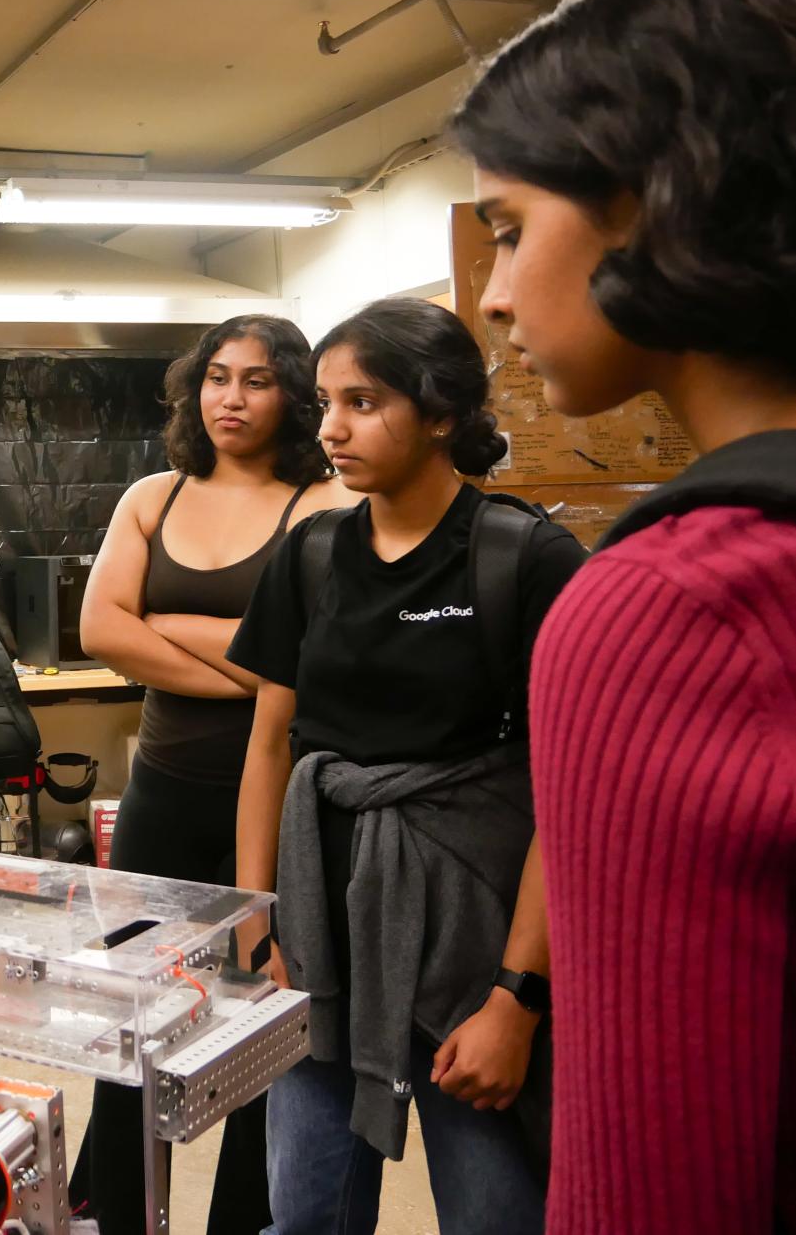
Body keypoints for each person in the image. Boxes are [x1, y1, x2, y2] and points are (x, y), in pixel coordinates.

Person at [456, 0, 796, 1235]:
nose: (490, 295)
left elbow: (657, 1177)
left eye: (506, 228)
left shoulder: (675, 604)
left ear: (649, 205)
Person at [228, 299, 587, 1235]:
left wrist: (516, 1001)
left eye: (363, 402)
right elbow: (271, 746)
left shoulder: (523, 558)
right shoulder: (309, 555)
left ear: (439, 414)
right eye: (322, 404)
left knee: (494, 1217)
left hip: (469, 954)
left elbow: (565, 801)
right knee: (303, 1216)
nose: (332, 429)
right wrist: (253, 922)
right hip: (319, 949)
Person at [70, 314, 350, 1235]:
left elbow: (309, 665)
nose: (231, 398)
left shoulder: (318, 505)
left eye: (257, 381)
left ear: (293, 396)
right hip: (162, 796)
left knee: (260, 1029)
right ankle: (108, 1206)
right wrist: (241, 659)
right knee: (134, 1018)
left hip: (270, 800)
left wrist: (168, 630)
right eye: (217, 377)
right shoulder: (153, 495)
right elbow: (100, 630)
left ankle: (243, 1220)